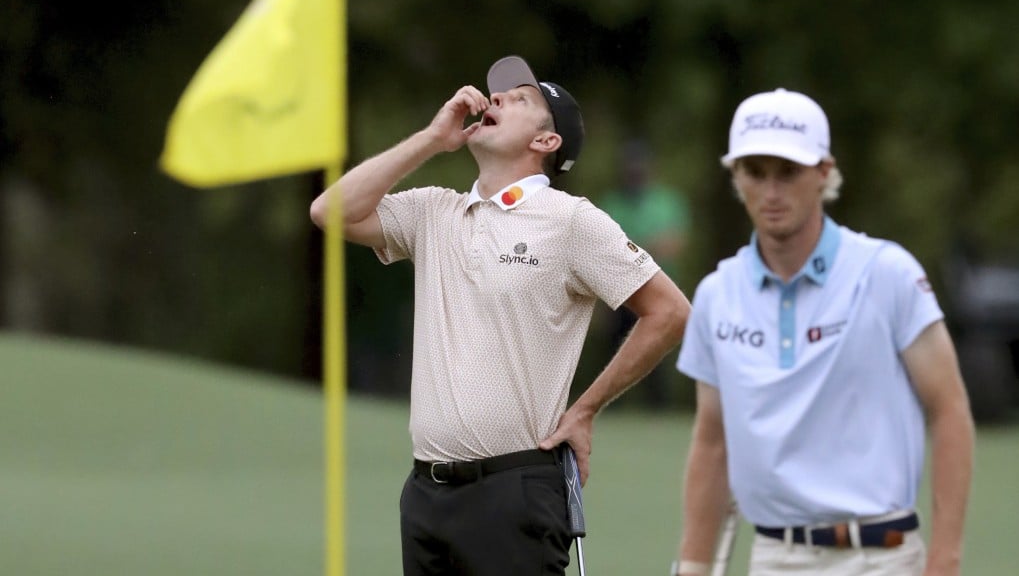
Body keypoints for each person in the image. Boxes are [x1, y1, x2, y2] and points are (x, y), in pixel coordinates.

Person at [311, 55, 690, 576]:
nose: (496, 99)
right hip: (425, 496)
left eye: (520, 99)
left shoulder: (571, 220)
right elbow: (328, 212)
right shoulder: (433, 211)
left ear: (546, 141)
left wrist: (585, 410)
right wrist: (431, 139)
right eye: (499, 94)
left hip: (515, 493)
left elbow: (669, 312)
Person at [673, 88, 974, 576]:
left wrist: (945, 560)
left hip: (882, 556)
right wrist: (692, 566)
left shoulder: (887, 274)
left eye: (788, 172)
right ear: (736, 177)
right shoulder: (717, 294)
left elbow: (949, 410)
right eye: (755, 172)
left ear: (824, 173)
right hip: (774, 558)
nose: (772, 192)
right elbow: (712, 442)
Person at [599, 139, 691, 408]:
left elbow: (674, 244)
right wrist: (647, 248)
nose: (635, 171)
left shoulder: (667, 201)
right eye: (630, 166)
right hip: (619, 291)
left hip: (657, 289)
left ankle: (658, 409)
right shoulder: (612, 201)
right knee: (614, 350)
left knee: (656, 354)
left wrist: (630, 248)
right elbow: (602, 250)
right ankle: (610, 406)